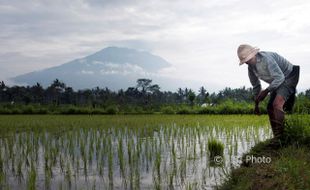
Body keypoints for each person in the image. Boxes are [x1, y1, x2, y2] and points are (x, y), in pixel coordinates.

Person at [237, 44, 300, 146]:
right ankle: (277, 137)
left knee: (277, 104)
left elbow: (280, 78)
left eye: (248, 59)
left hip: (289, 75)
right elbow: (256, 87)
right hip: (277, 80)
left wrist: (266, 91)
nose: (247, 63)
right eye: (245, 61)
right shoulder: (250, 68)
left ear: (254, 55)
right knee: (270, 107)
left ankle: (281, 138)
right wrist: (256, 105)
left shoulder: (266, 59)